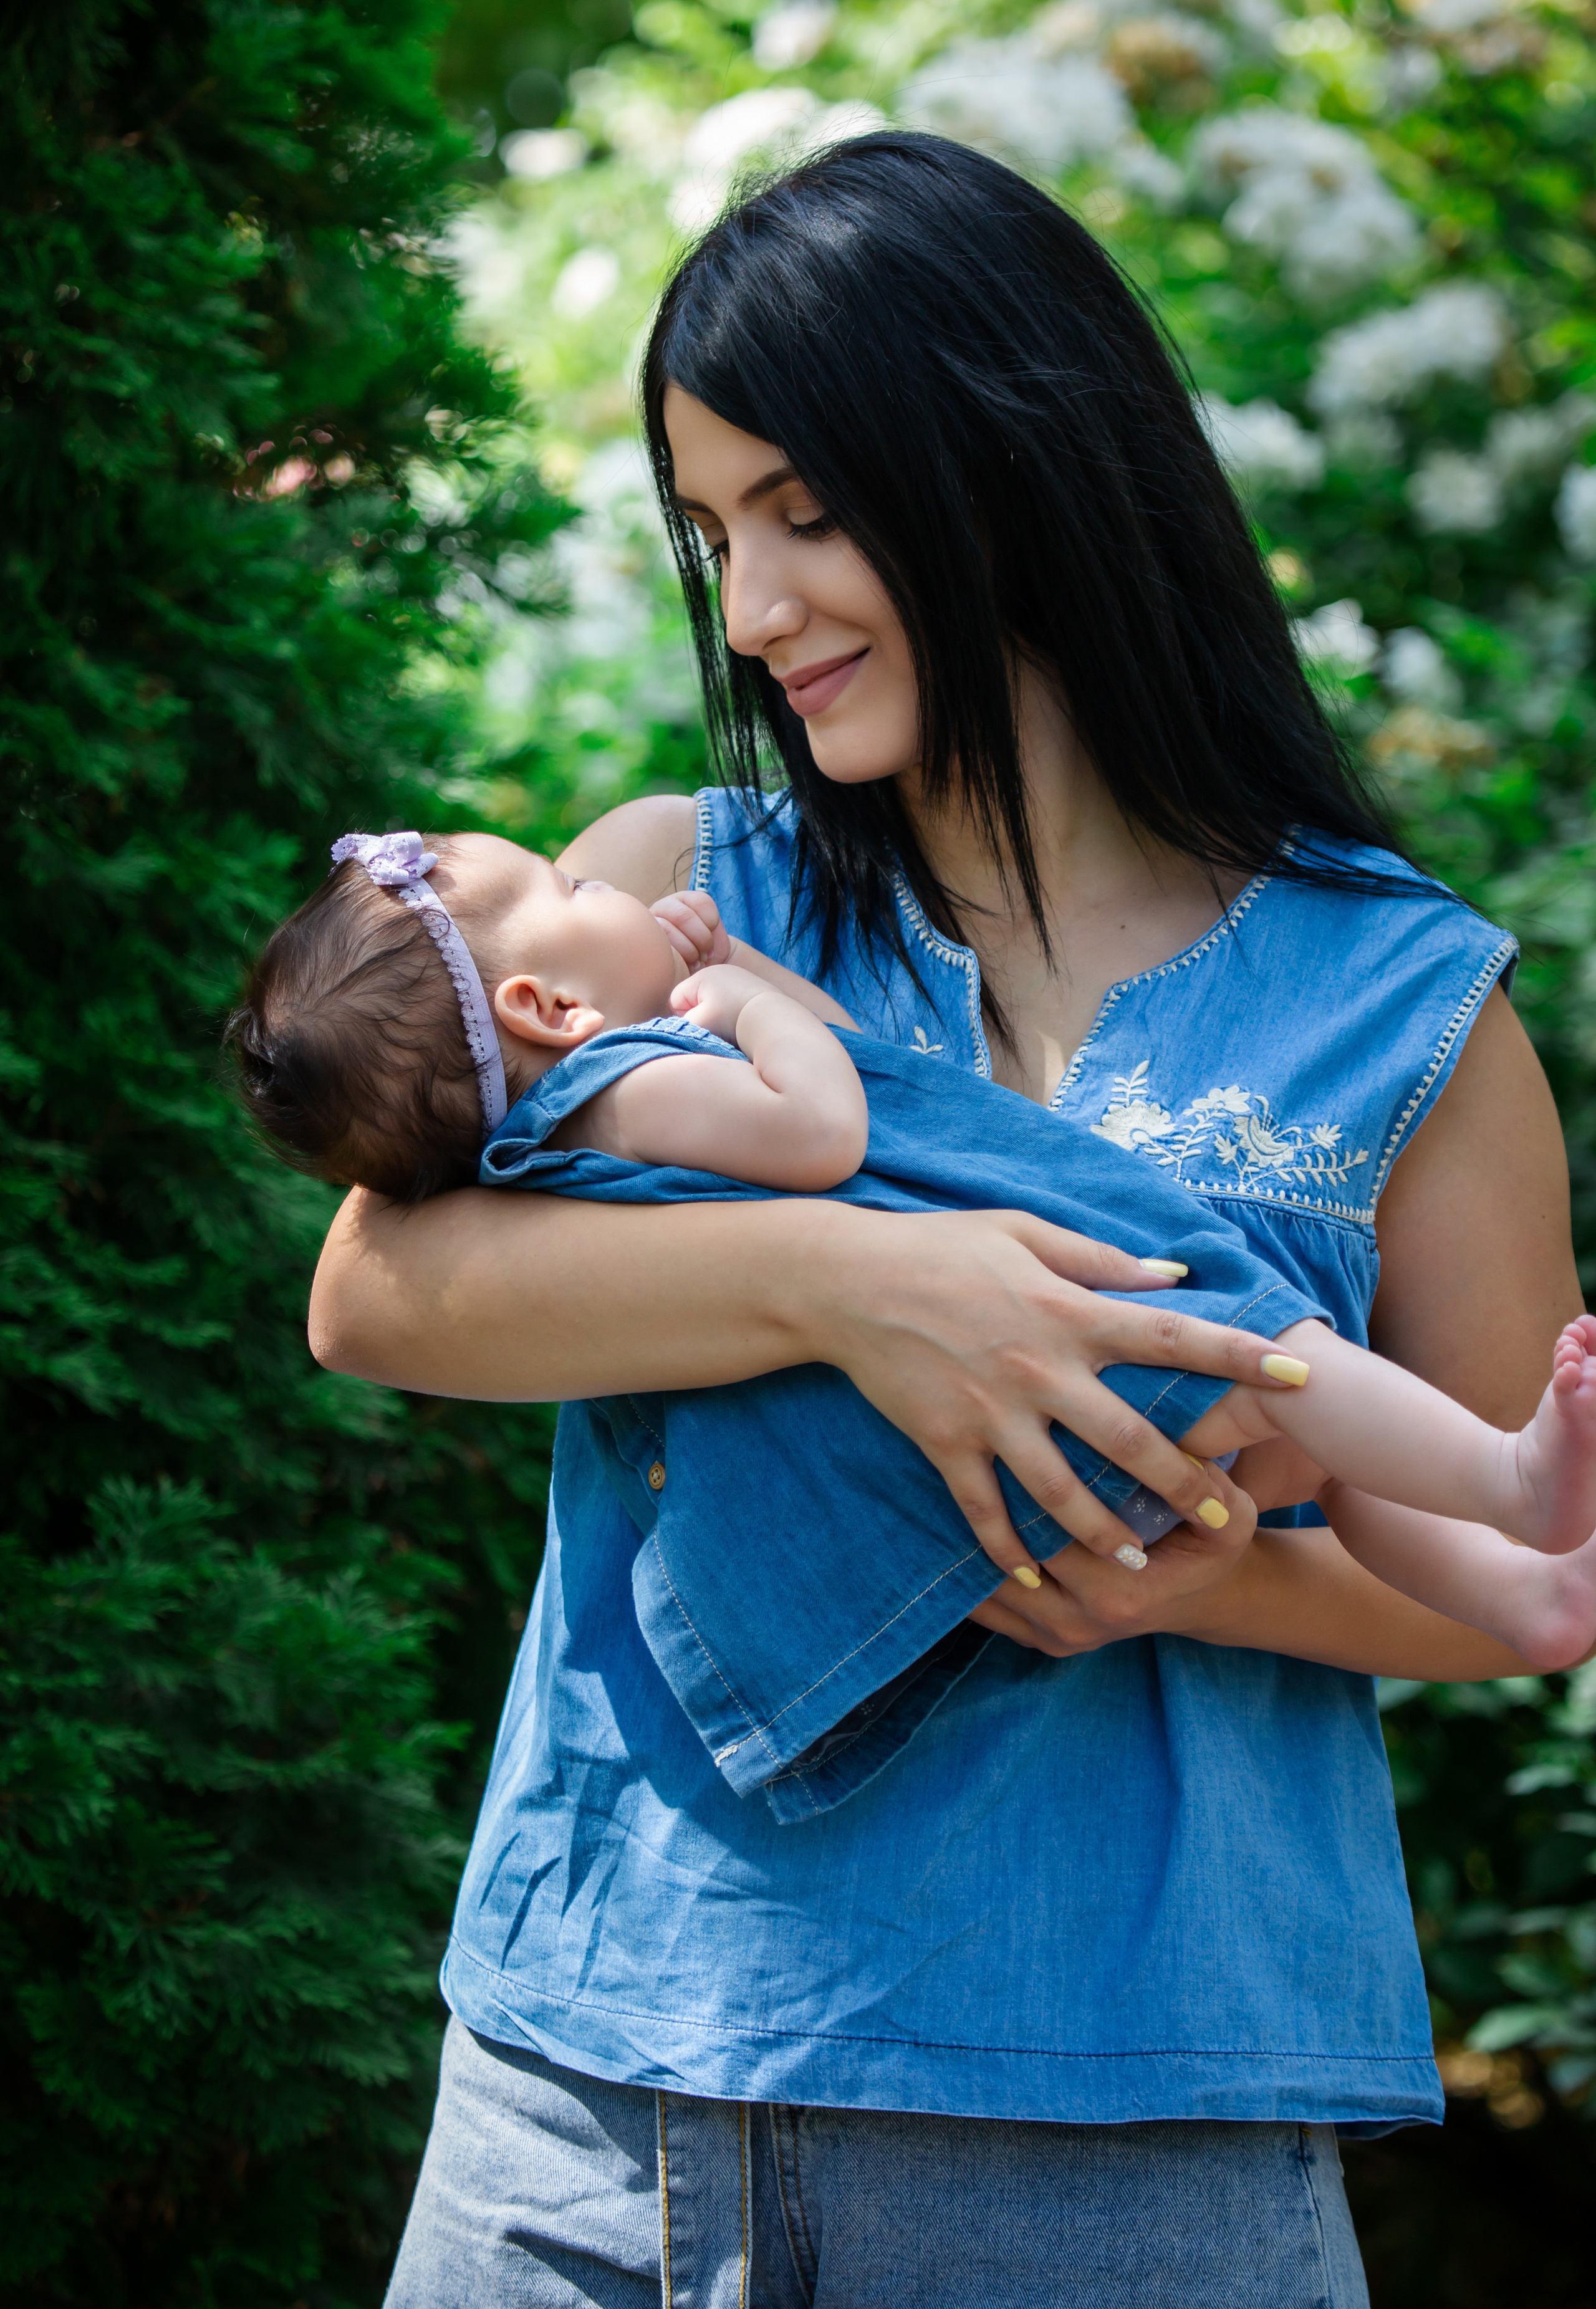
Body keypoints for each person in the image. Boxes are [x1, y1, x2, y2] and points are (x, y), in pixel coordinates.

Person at [304, 133, 1584, 2305]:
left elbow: (1526, 1568)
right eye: (713, 531)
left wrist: (1201, 1591)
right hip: (597, 2102)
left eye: (807, 509)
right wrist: (865, 1279)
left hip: (1125, 2145)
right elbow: (384, 1287)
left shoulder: (1411, 1010)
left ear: (1023, 464)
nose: (752, 606)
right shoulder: (672, 903)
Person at [237, 825, 1596, 1684]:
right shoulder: (630, 1085)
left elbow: (861, 1065)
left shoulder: (1393, 976)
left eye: (805, 518)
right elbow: (825, 1127)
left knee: (1307, 1435)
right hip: (1063, 1347)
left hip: (1038, 1456)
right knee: (1286, 1361)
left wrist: (758, 997)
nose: (753, 612)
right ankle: (1503, 1483)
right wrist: (741, 1007)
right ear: (546, 1005)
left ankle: (1525, 1574)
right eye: (573, 885)